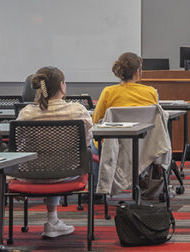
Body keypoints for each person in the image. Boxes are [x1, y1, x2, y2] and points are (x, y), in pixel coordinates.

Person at [15, 66, 93, 238]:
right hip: (68, 173)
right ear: (62, 86)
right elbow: (86, 143)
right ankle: (53, 220)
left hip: (31, 173)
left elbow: (19, 146)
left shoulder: (26, 113)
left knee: (48, 162)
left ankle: (53, 220)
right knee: (69, 158)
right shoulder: (77, 111)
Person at [92, 51, 159, 122]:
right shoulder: (151, 92)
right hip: (146, 133)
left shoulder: (108, 92)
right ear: (137, 72)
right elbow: (156, 120)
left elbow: (96, 120)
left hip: (116, 133)